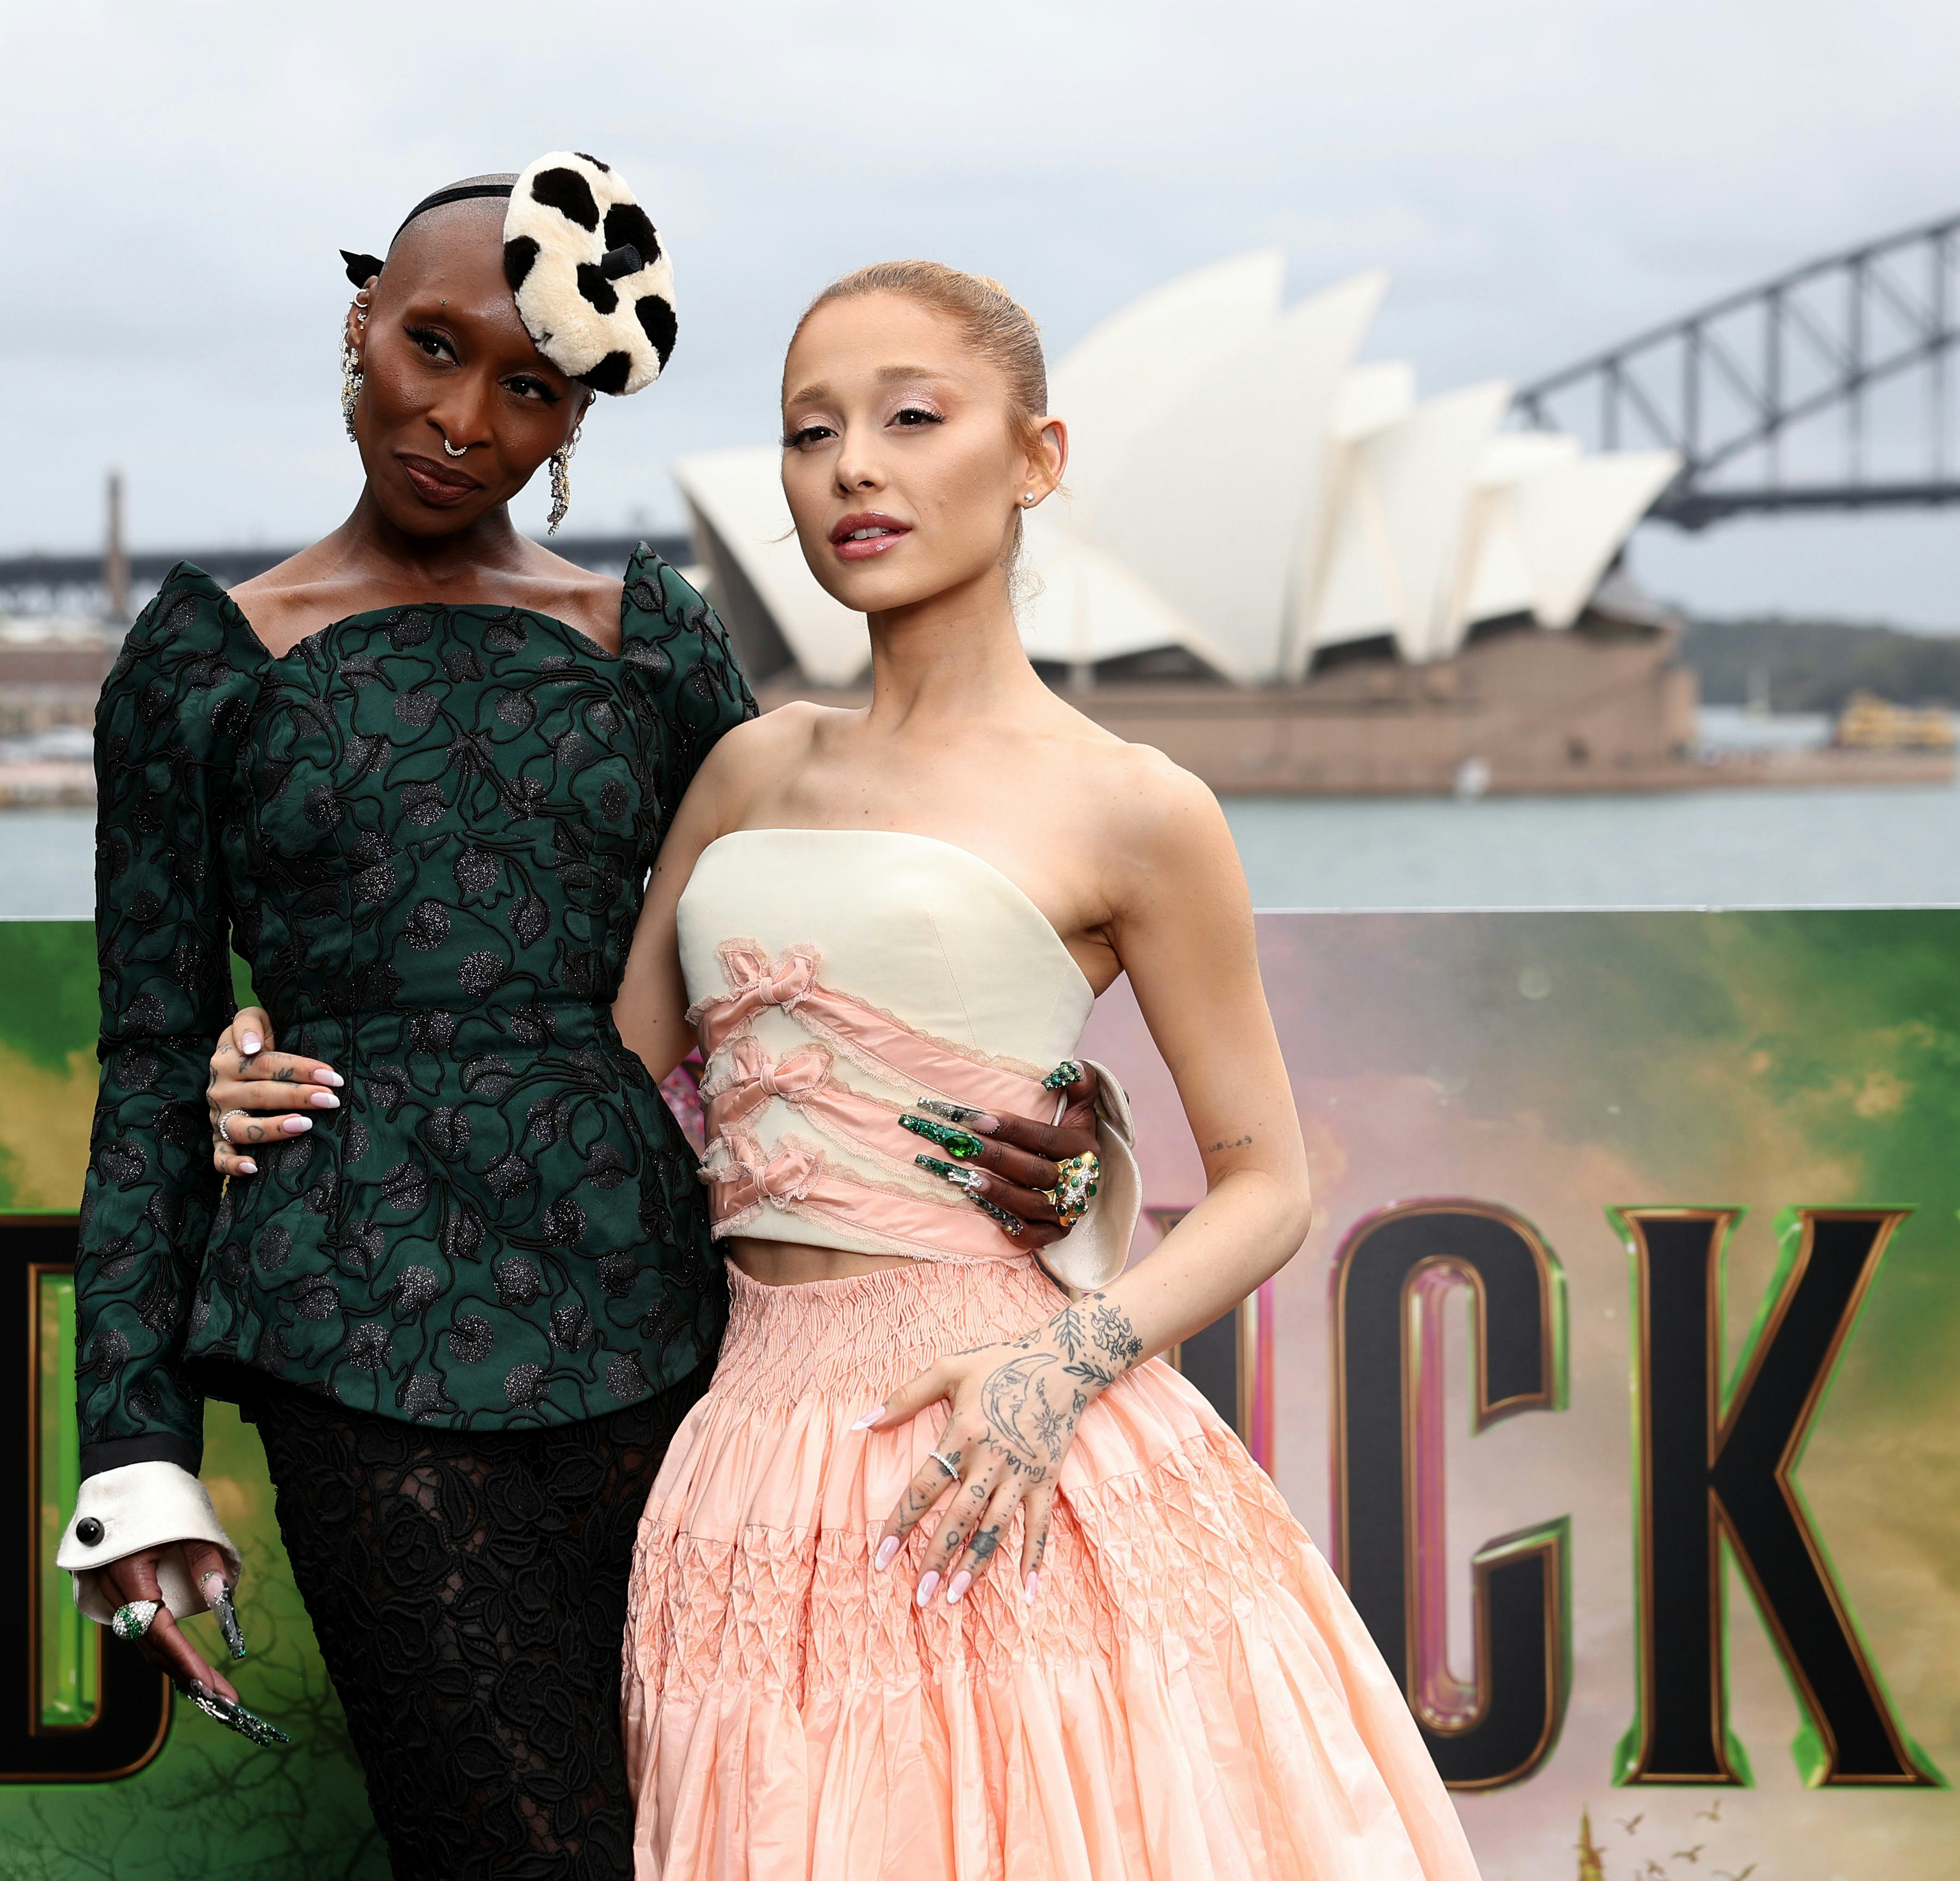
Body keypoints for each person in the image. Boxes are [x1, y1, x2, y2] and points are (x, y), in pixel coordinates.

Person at [65, 154, 927, 1879]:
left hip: (670, 1331)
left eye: (525, 386)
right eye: (430, 347)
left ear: (575, 418)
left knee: (712, 1830)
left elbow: (783, 973)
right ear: (358, 326)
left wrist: (1035, 1149)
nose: (459, 416)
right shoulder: (204, 661)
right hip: (352, 1322)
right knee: (504, 1844)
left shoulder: (651, 646)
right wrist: (133, 1443)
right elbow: (156, 1052)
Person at [582, 261, 1484, 1878]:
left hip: (1012, 1436)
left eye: (913, 417)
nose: (853, 465)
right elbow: (603, 1104)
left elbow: (1272, 1181)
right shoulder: (744, 769)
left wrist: (1055, 1365)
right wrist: (270, 1041)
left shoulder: (1134, 804)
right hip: (745, 1449)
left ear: (1038, 457)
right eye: (810, 432)